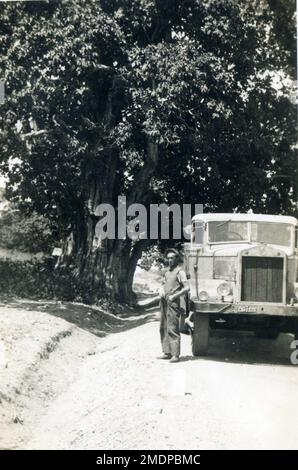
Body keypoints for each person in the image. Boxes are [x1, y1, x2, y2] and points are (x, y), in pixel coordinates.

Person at [158, 248, 190, 363]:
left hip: (173, 302)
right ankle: (166, 352)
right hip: (164, 301)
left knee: (172, 328)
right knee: (163, 326)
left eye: (172, 258)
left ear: (177, 259)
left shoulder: (180, 272)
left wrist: (175, 296)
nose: (170, 260)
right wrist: (160, 290)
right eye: (168, 258)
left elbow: (187, 288)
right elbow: (164, 284)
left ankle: (175, 355)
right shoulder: (167, 272)